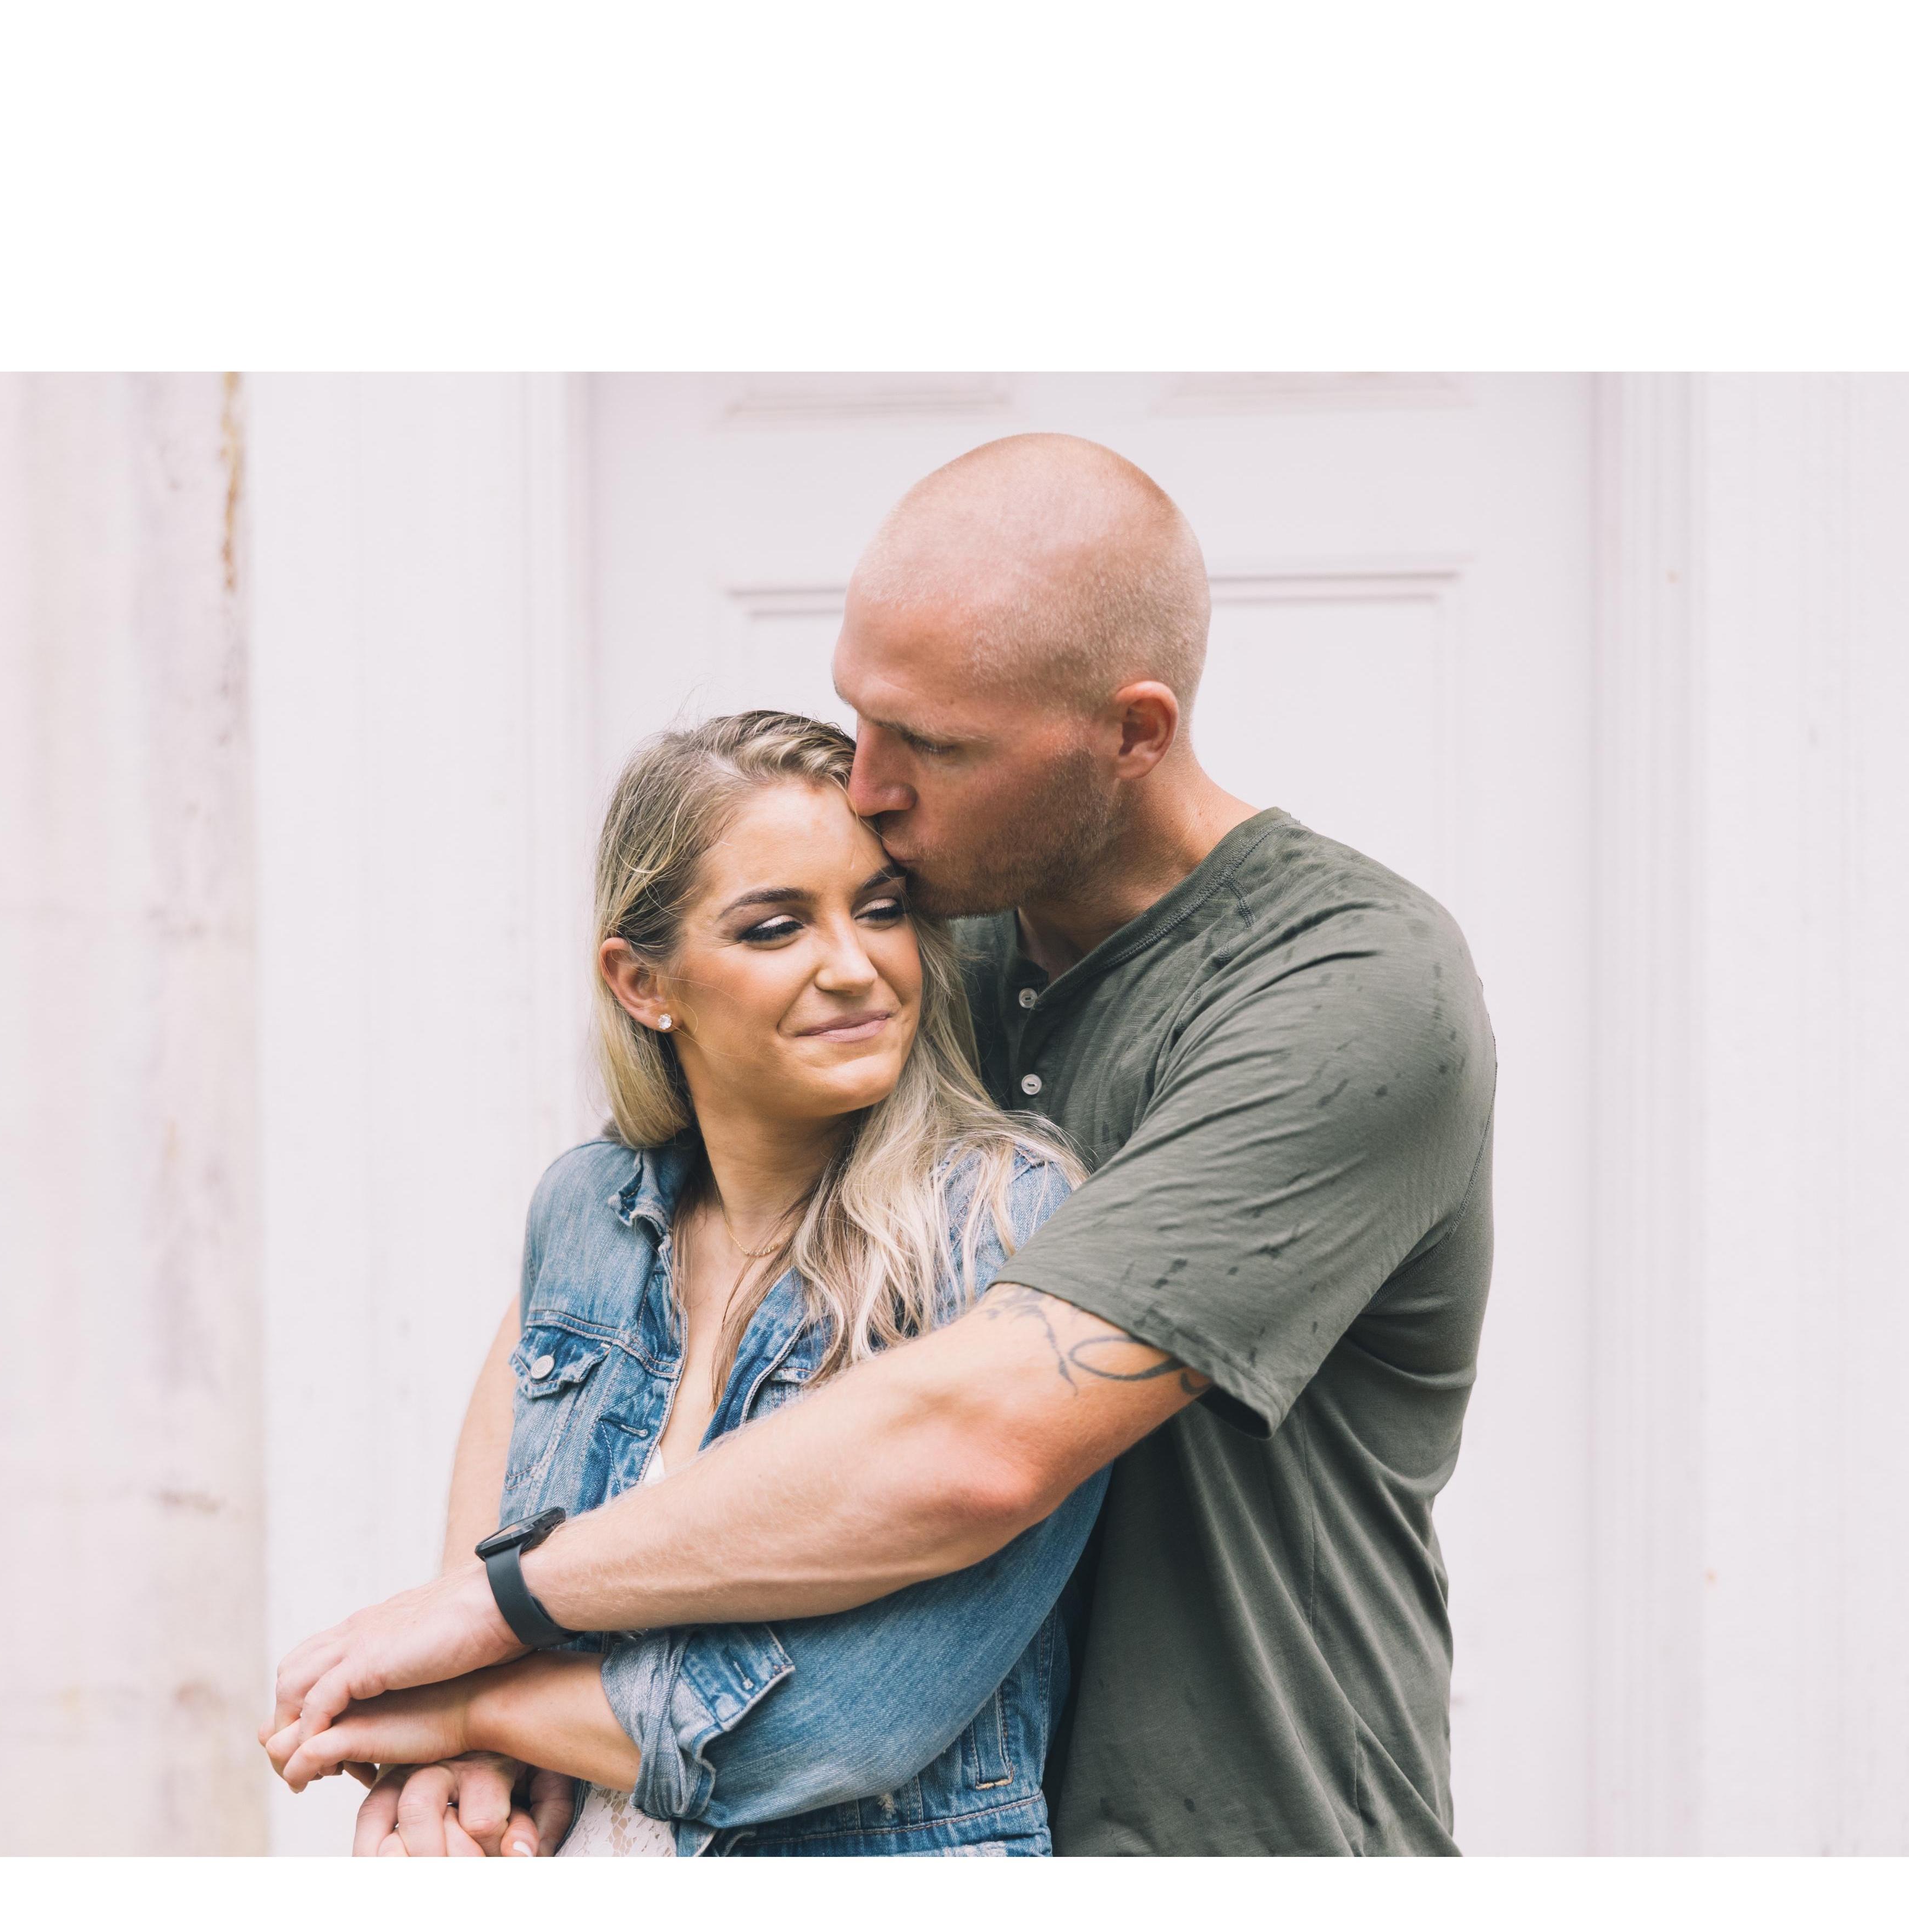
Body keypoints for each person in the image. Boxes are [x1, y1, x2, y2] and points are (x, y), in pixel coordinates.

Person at [263, 431, 1497, 1856]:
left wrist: (503, 1623)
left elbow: (980, 1440)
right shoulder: (916, 933)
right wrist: (474, 1703)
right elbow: (610, 1246)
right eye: (866, 718)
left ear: (1133, 733)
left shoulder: (1347, 991)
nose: (872, 786)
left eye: (937, 747)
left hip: (1241, 1834)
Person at [269, 709, 1110, 1854]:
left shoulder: (990, 1222)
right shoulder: (591, 1215)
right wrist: (456, 1773)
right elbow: (487, 1581)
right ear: (640, 980)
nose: (855, 966)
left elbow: (845, 1722)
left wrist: (464, 1708)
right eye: (775, 928)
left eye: (880, 909)